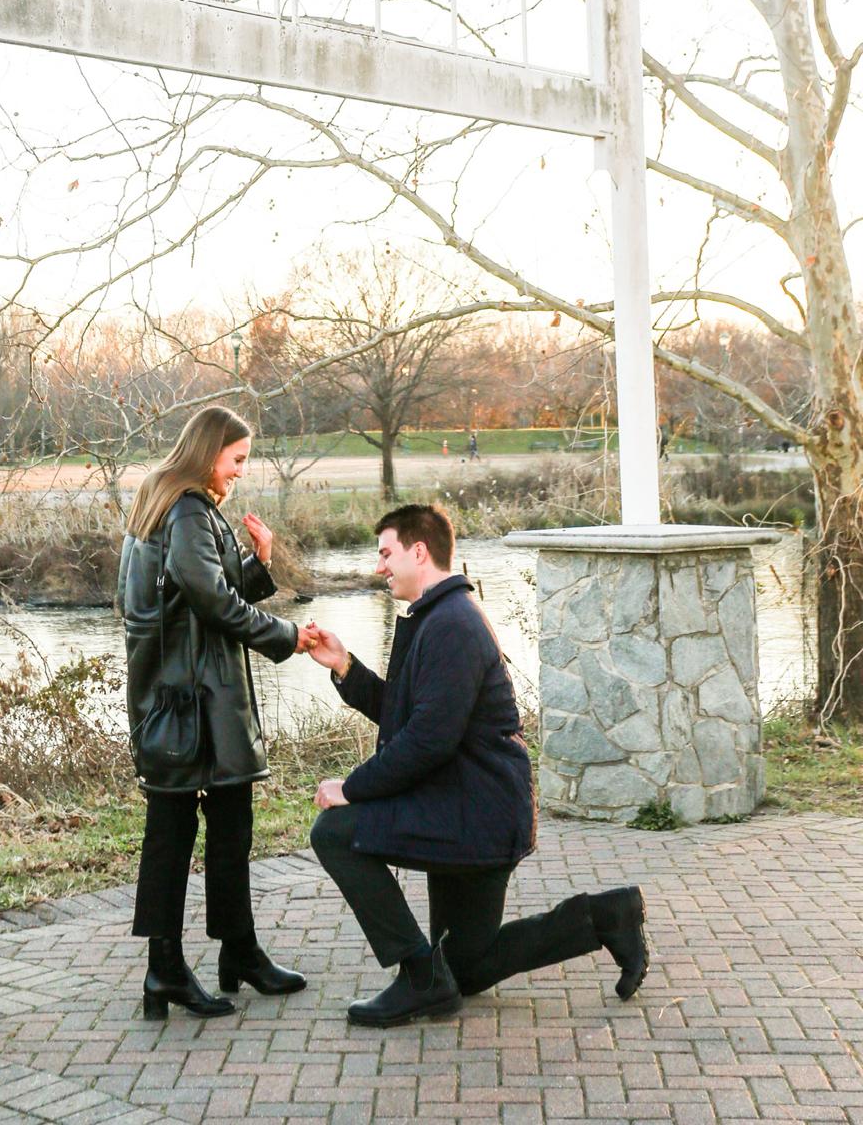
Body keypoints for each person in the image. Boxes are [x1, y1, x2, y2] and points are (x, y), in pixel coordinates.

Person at [305, 503, 650, 1027]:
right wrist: (345, 667)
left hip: (474, 814)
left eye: (386, 553)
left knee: (335, 830)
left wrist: (351, 789)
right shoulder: (440, 617)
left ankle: (419, 977)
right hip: (467, 808)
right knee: (465, 969)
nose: (380, 567)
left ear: (418, 552)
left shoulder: (452, 625)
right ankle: (606, 917)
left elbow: (426, 742)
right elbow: (411, 715)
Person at [118, 405, 317, 1021]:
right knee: (182, 836)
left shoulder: (174, 506)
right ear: (209, 453)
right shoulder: (185, 511)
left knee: (213, 830)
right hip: (196, 704)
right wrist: (286, 636)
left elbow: (203, 595)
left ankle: (236, 954)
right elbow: (210, 602)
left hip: (183, 700)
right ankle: (169, 969)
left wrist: (258, 558)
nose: (239, 472)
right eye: (237, 460)